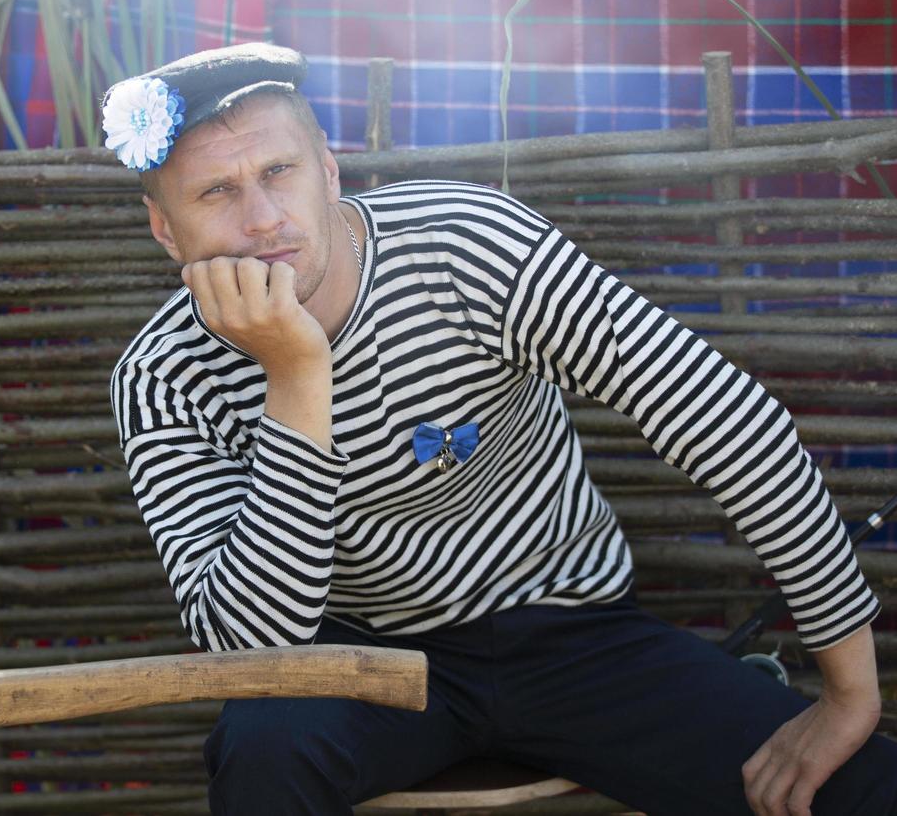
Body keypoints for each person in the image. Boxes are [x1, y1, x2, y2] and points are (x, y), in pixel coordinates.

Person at [103, 43, 897, 816]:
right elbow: (251, 652)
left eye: (279, 172)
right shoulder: (163, 377)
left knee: (860, 788)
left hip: (570, 627)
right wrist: (297, 377)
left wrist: (850, 694)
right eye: (215, 193)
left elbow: (727, 421)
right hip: (364, 667)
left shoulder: (465, 245)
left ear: (330, 171)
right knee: (265, 751)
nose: (263, 220)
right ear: (166, 230)